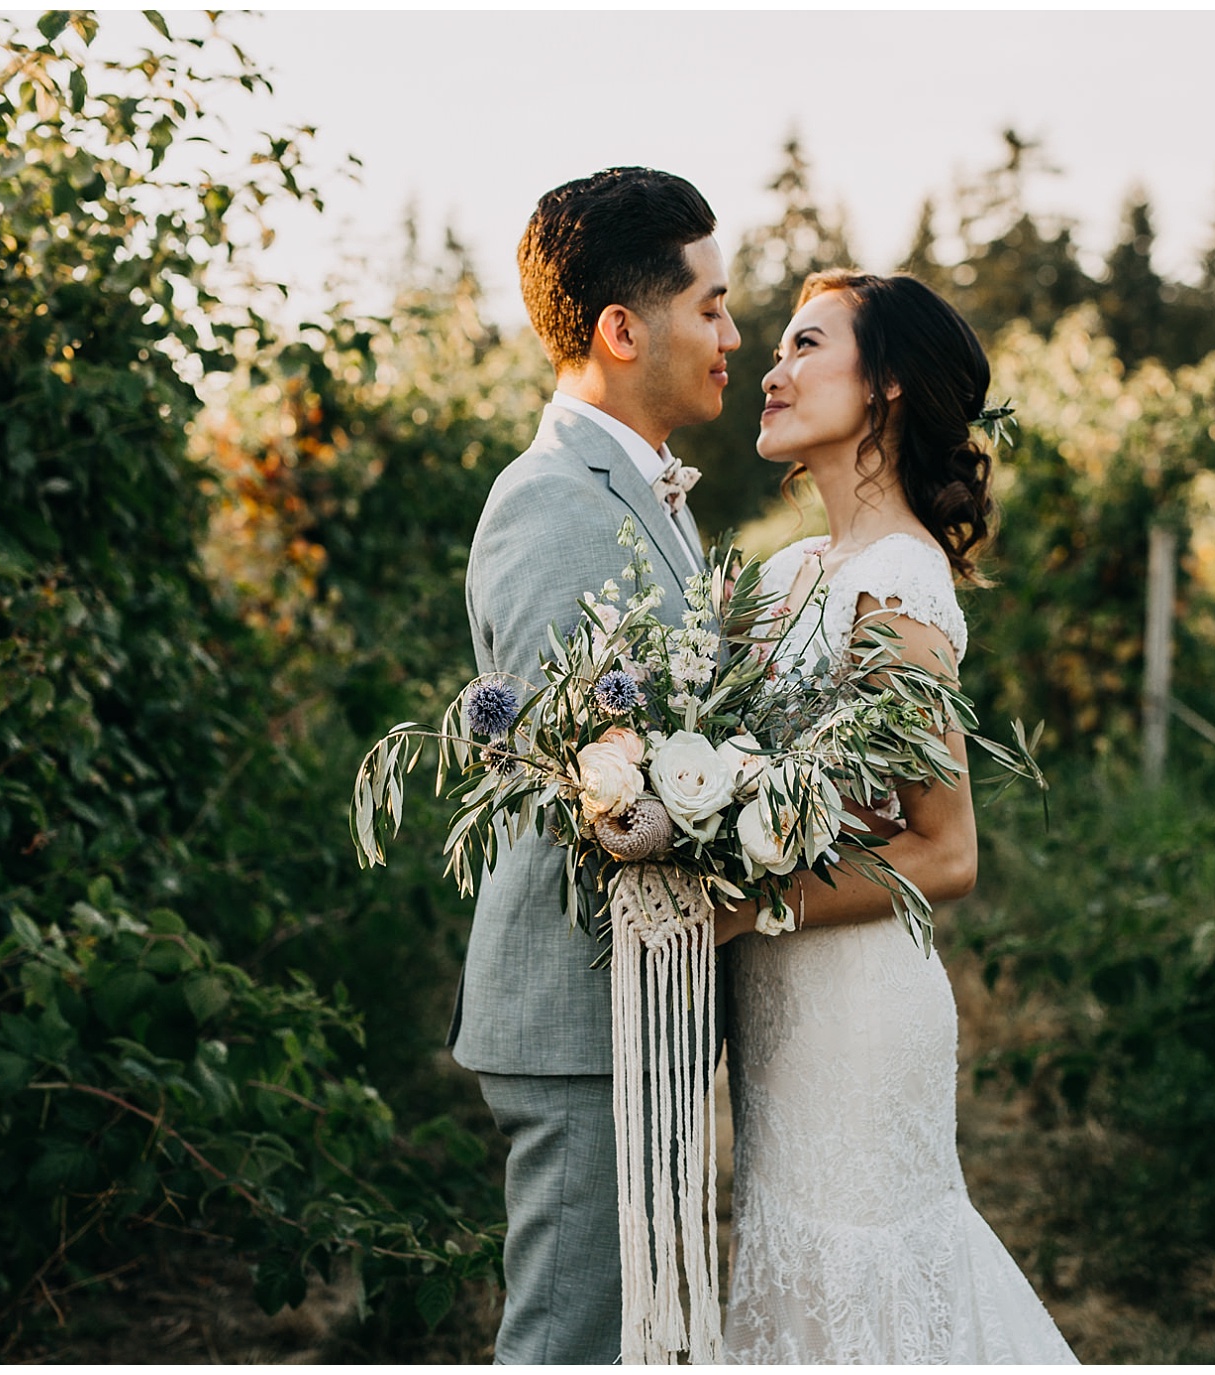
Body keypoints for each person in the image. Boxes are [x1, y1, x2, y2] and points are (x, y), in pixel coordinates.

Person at [711, 270, 1079, 1364]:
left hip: (858, 1014)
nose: (770, 372)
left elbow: (945, 849)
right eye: (774, 349)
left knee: (863, 1287)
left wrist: (741, 911)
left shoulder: (899, 582)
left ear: (884, 389)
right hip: (775, 1014)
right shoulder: (781, 578)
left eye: (804, 346)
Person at [453, 166, 740, 1365]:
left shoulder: (645, 493)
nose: (733, 336)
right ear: (624, 330)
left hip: (641, 1007)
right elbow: (582, 774)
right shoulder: (549, 501)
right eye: (711, 306)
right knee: (565, 1346)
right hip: (581, 1019)